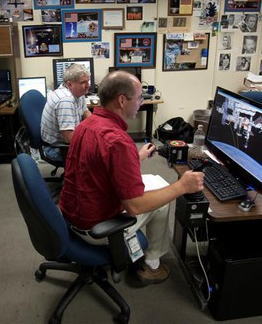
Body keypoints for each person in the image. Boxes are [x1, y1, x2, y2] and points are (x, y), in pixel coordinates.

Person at [58, 71, 204, 285]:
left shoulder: (86, 125)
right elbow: (134, 206)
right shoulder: (118, 141)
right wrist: (181, 186)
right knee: (164, 199)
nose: (141, 102)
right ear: (122, 100)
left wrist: (137, 156)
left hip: (72, 213)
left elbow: (101, 165)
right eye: (139, 98)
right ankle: (152, 266)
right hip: (95, 227)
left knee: (156, 181)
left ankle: (150, 259)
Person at [41, 63, 92, 161]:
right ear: (69, 84)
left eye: (88, 81)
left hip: (63, 143)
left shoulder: (77, 92)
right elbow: (69, 138)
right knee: (99, 153)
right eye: (83, 82)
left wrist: (99, 127)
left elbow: (85, 111)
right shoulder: (66, 100)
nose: (88, 86)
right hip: (57, 149)